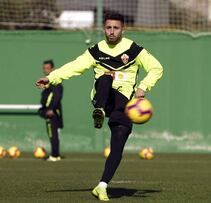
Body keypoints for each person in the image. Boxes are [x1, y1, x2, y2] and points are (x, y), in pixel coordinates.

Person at [35, 12, 163, 201]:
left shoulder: (134, 50)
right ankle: (100, 111)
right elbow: (74, 67)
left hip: (125, 105)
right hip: (104, 97)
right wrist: (50, 78)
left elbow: (156, 68)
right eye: (108, 27)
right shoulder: (96, 51)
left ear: (123, 29)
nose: (112, 32)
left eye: (116, 28)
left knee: (118, 144)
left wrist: (143, 87)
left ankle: (102, 186)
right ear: (104, 28)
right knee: (105, 76)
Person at [38, 60, 63, 162]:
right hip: (48, 111)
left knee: (53, 134)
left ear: (52, 69)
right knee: (52, 134)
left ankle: (54, 155)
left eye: (48, 68)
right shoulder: (47, 83)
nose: (46, 70)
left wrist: (51, 109)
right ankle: (55, 154)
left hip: (52, 112)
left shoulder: (56, 82)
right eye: (44, 68)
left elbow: (56, 97)